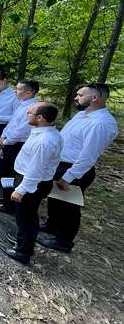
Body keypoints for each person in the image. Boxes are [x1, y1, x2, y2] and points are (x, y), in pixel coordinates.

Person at [38, 83, 118, 253]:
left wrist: (69, 176)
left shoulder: (100, 123)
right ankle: (52, 226)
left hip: (75, 169)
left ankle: (64, 241)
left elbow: (88, 155)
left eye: (80, 95)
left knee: (69, 206)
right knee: (55, 199)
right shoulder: (82, 115)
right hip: (62, 163)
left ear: (94, 97)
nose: (76, 97)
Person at [0, 102, 63, 265]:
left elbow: (35, 170)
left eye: (29, 113)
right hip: (30, 179)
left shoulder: (45, 141)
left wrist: (21, 189)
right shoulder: (42, 132)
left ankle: (23, 252)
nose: (26, 115)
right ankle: (23, 242)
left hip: (32, 183)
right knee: (25, 217)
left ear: (40, 118)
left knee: (26, 218)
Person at [0, 79, 39, 214]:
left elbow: (22, 130)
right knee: (5, 173)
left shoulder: (32, 108)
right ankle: (6, 197)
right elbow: (12, 123)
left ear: (29, 92)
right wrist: (3, 136)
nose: (16, 91)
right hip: (9, 141)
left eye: (19, 89)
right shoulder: (21, 104)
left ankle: (11, 204)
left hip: (18, 144)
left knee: (11, 173)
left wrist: (6, 141)